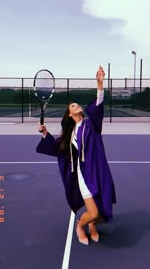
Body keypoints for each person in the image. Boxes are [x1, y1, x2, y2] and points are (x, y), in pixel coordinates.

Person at [36, 66, 116, 246]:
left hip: (98, 169)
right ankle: (81, 225)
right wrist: (44, 134)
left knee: (103, 207)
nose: (77, 105)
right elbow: (57, 147)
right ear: (70, 115)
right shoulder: (70, 134)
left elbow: (99, 106)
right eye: (73, 106)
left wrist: (100, 83)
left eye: (77, 104)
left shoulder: (92, 125)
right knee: (93, 212)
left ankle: (93, 226)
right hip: (84, 174)